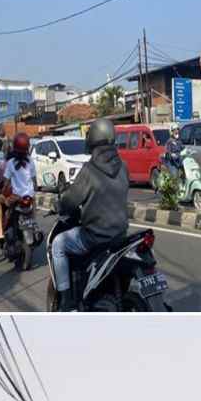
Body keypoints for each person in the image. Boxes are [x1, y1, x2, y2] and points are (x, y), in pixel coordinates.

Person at [51, 118, 129, 311]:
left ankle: (67, 301)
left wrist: (60, 204)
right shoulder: (123, 167)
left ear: (92, 139)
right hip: (120, 235)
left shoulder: (89, 170)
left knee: (58, 244)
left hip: (95, 237)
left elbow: (70, 201)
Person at [0, 132, 37, 241]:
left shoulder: (11, 163)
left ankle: (0, 232)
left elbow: (6, 182)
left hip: (16, 197)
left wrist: (2, 192)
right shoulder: (31, 161)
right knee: (33, 205)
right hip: (29, 198)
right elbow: (34, 181)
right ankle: (34, 226)